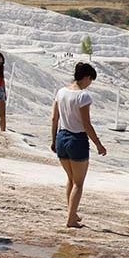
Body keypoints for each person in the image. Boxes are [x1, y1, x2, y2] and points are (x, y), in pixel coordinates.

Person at [50, 62, 106, 228]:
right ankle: (71, 219)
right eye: (91, 80)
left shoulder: (61, 92)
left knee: (71, 179)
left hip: (62, 137)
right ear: (87, 77)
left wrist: (53, 140)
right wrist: (99, 144)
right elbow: (86, 124)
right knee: (79, 183)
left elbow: (54, 118)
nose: (90, 84)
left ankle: (72, 213)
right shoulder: (83, 96)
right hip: (77, 140)